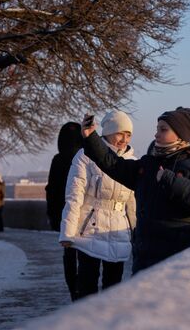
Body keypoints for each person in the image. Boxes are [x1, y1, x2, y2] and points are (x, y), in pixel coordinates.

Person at [80, 107, 190, 274]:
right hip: (144, 256)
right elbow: (115, 165)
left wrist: (170, 180)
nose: (156, 134)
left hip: (176, 259)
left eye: (163, 129)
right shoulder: (149, 164)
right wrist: (91, 137)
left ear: (180, 134)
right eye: (157, 129)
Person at [59, 110, 137, 299]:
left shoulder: (132, 162)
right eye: (120, 133)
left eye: (128, 135)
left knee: (113, 289)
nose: (124, 139)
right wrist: (68, 233)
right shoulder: (85, 156)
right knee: (87, 287)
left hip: (118, 232)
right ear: (108, 132)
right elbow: (74, 196)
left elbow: (132, 203)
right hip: (89, 231)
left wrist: (136, 232)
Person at [45, 121, 83, 301]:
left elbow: (51, 190)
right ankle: (84, 289)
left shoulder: (58, 159)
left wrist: (52, 215)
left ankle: (73, 289)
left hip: (63, 214)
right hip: (84, 213)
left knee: (69, 254)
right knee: (86, 254)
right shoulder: (86, 157)